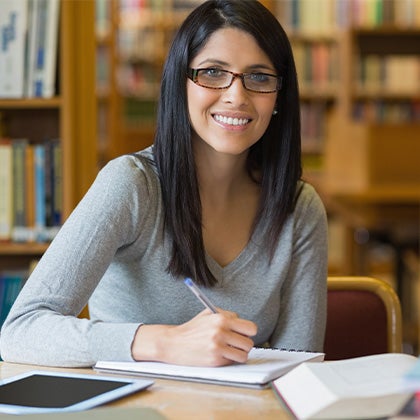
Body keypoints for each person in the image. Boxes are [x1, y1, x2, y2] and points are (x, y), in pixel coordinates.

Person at [0, 0, 328, 368]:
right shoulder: (131, 185)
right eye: (213, 72)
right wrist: (163, 342)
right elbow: (21, 330)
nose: (237, 95)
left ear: (279, 96)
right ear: (180, 83)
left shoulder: (299, 207)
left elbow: (299, 367)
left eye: (259, 77)